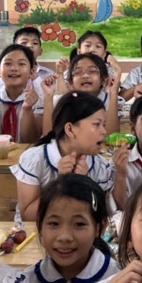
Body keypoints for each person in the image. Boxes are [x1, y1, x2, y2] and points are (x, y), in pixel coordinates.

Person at [14, 92, 117, 223]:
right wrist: (62, 184)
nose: (104, 131)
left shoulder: (99, 165)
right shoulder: (35, 159)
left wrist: (84, 184)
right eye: (97, 124)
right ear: (70, 129)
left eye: (104, 124)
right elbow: (28, 217)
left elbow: (99, 214)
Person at [0, 44, 45, 144]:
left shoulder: (38, 101)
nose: (14, 68)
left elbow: (31, 139)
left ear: (32, 72)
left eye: (21, 64)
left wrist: (27, 109)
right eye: (8, 64)